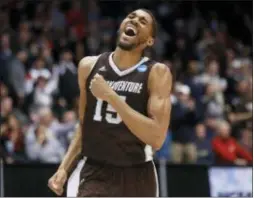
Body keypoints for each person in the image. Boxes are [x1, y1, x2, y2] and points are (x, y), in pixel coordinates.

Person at [48, 9, 172, 197]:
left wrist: (111, 96)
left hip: (138, 175)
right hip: (96, 172)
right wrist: (64, 168)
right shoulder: (88, 66)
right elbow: (83, 126)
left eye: (143, 21)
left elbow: (157, 138)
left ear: (150, 41)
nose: (135, 21)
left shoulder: (157, 73)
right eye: (131, 17)